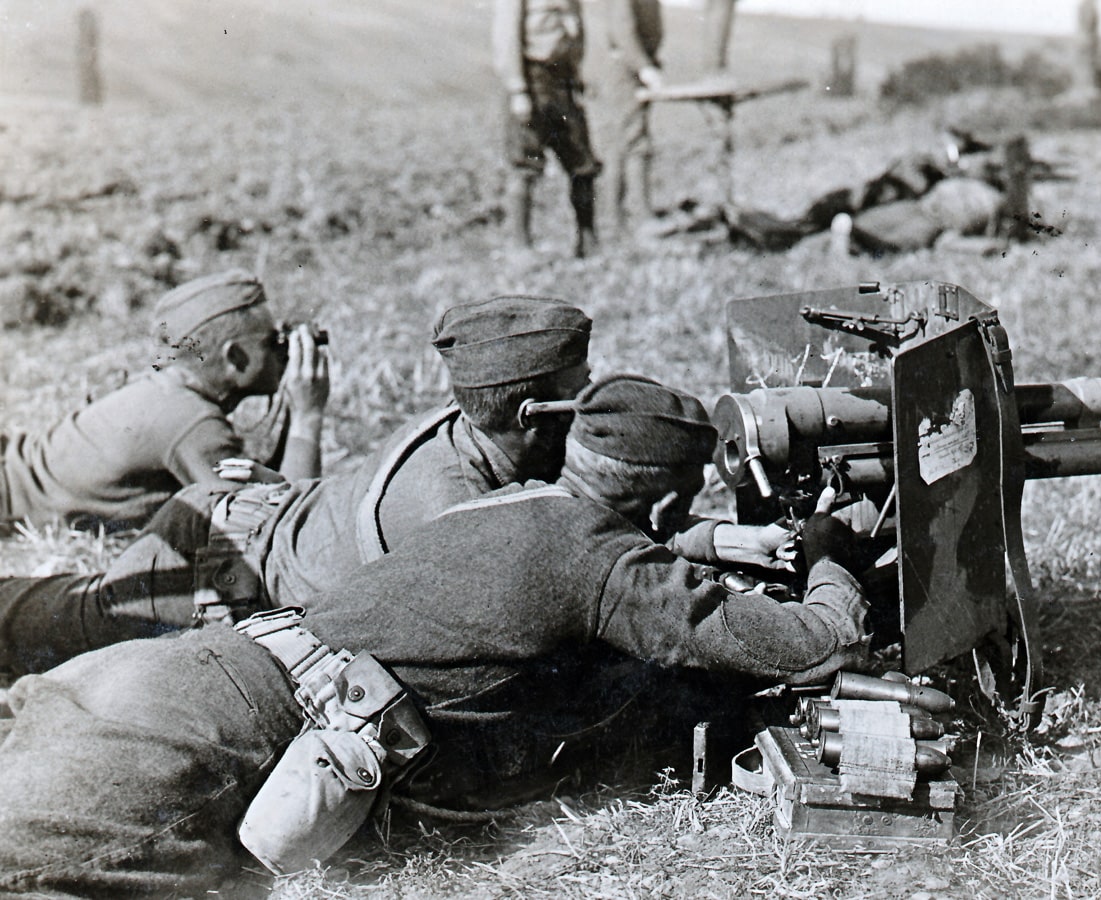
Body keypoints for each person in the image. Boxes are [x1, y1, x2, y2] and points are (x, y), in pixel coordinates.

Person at [0, 374, 870, 895]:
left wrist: (697, 544)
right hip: (204, 738)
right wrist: (831, 552)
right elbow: (823, 641)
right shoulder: (600, 564)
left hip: (161, 674)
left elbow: (567, 554)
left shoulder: (511, 501)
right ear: (670, 500)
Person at [0, 295, 595, 675]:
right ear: (532, 414)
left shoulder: (459, 423)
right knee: (64, 619)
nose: (588, 403)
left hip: (238, 537)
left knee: (70, 601)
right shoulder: (456, 502)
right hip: (222, 565)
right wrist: (306, 417)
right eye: (579, 389)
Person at [0, 269, 329, 533]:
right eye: (272, 342)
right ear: (235, 357)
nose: (283, 350)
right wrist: (307, 415)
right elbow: (283, 527)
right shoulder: (193, 424)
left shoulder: (168, 390)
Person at [493, 0, 601, 257]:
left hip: (562, 80)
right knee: (525, 164)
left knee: (582, 162)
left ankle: (588, 242)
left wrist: (576, 75)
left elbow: (574, 28)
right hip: (532, 78)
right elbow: (506, 35)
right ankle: (520, 246)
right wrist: (517, 88)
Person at [598, 0, 664, 239]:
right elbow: (622, 29)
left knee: (629, 140)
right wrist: (643, 66)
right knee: (630, 142)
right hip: (624, 70)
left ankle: (625, 218)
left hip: (634, 67)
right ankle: (632, 218)